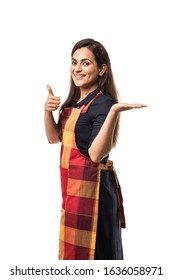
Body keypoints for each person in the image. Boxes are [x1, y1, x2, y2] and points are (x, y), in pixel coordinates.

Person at [44, 38, 146, 260]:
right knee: (74, 255)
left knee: (97, 256)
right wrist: (47, 111)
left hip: (95, 194)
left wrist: (114, 112)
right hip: (72, 191)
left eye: (86, 63)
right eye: (74, 62)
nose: (77, 68)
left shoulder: (103, 103)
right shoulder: (72, 101)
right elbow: (54, 139)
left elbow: (96, 154)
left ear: (101, 69)